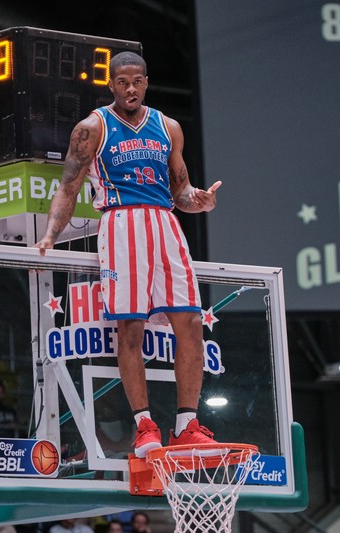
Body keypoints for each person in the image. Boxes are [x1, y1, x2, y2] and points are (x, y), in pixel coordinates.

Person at [35, 51, 222, 458]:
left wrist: (199, 201)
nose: (131, 88)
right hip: (121, 226)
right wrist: (51, 233)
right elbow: (67, 188)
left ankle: (187, 426)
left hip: (166, 226)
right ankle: (144, 425)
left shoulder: (168, 127)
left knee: (190, 324)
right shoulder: (92, 128)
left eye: (137, 81)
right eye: (123, 82)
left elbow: (180, 191)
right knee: (130, 330)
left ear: (146, 82)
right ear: (112, 85)